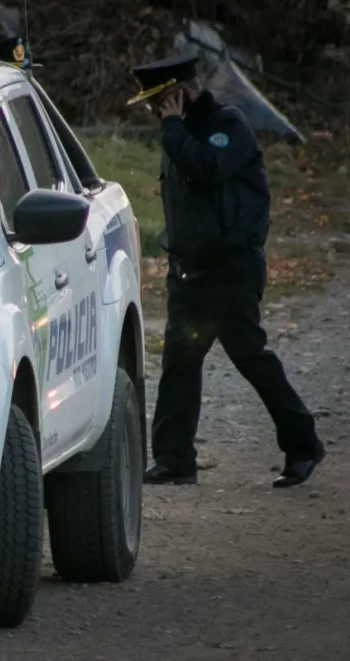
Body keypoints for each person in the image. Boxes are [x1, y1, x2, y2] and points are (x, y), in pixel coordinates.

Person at [126, 54, 326, 488]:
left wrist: (173, 126)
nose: (151, 110)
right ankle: (174, 458)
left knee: (250, 356)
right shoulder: (177, 134)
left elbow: (208, 166)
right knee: (180, 362)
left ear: (178, 93)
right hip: (191, 270)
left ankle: (304, 444)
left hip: (230, 268)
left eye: (156, 101)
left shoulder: (225, 126)